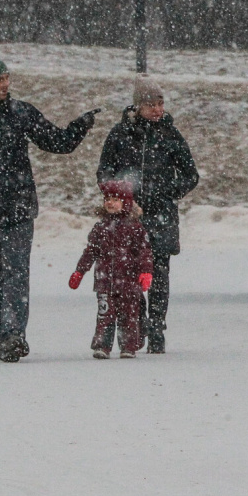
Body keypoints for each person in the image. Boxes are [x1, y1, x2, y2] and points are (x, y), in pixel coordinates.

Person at [0, 53, 98, 362]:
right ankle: (2, 333)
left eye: (7, 78)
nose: (5, 84)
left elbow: (57, 142)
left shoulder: (20, 112)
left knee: (15, 273)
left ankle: (13, 334)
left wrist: (79, 126)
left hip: (17, 208)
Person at [97, 78, 198, 354]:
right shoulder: (120, 134)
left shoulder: (170, 134)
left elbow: (190, 175)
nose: (157, 109)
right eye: (151, 104)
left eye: (160, 103)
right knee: (130, 275)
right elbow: (104, 171)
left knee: (159, 274)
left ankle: (156, 328)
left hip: (162, 216)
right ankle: (138, 322)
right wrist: (120, 195)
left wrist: (167, 191)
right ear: (138, 106)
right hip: (129, 218)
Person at [70, 181, 154, 359]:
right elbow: (90, 252)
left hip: (129, 282)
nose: (110, 203)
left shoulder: (135, 228)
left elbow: (144, 252)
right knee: (104, 315)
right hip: (105, 282)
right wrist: (80, 271)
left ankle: (128, 346)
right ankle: (102, 346)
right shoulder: (100, 228)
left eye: (115, 200)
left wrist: (146, 272)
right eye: (107, 199)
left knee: (128, 316)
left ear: (126, 203)